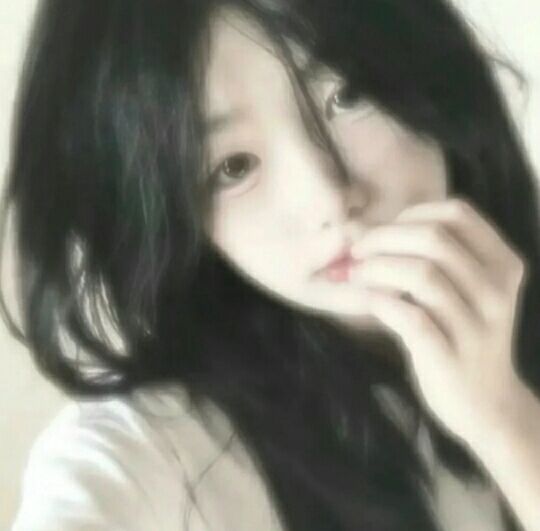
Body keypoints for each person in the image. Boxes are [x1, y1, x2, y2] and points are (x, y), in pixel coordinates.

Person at [2, 0, 540, 530]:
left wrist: (506, 421)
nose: (328, 199)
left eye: (347, 96)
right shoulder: (153, 455)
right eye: (233, 166)